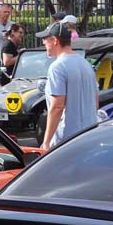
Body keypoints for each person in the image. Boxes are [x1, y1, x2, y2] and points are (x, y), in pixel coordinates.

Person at [38, 21, 98, 149]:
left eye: (45, 39)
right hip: (89, 135)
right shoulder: (86, 64)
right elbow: (95, 102)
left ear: (55, 40)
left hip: (67, 140)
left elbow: (57, 106)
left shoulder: (57, 67)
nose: (43, 43)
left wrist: (47, 141)